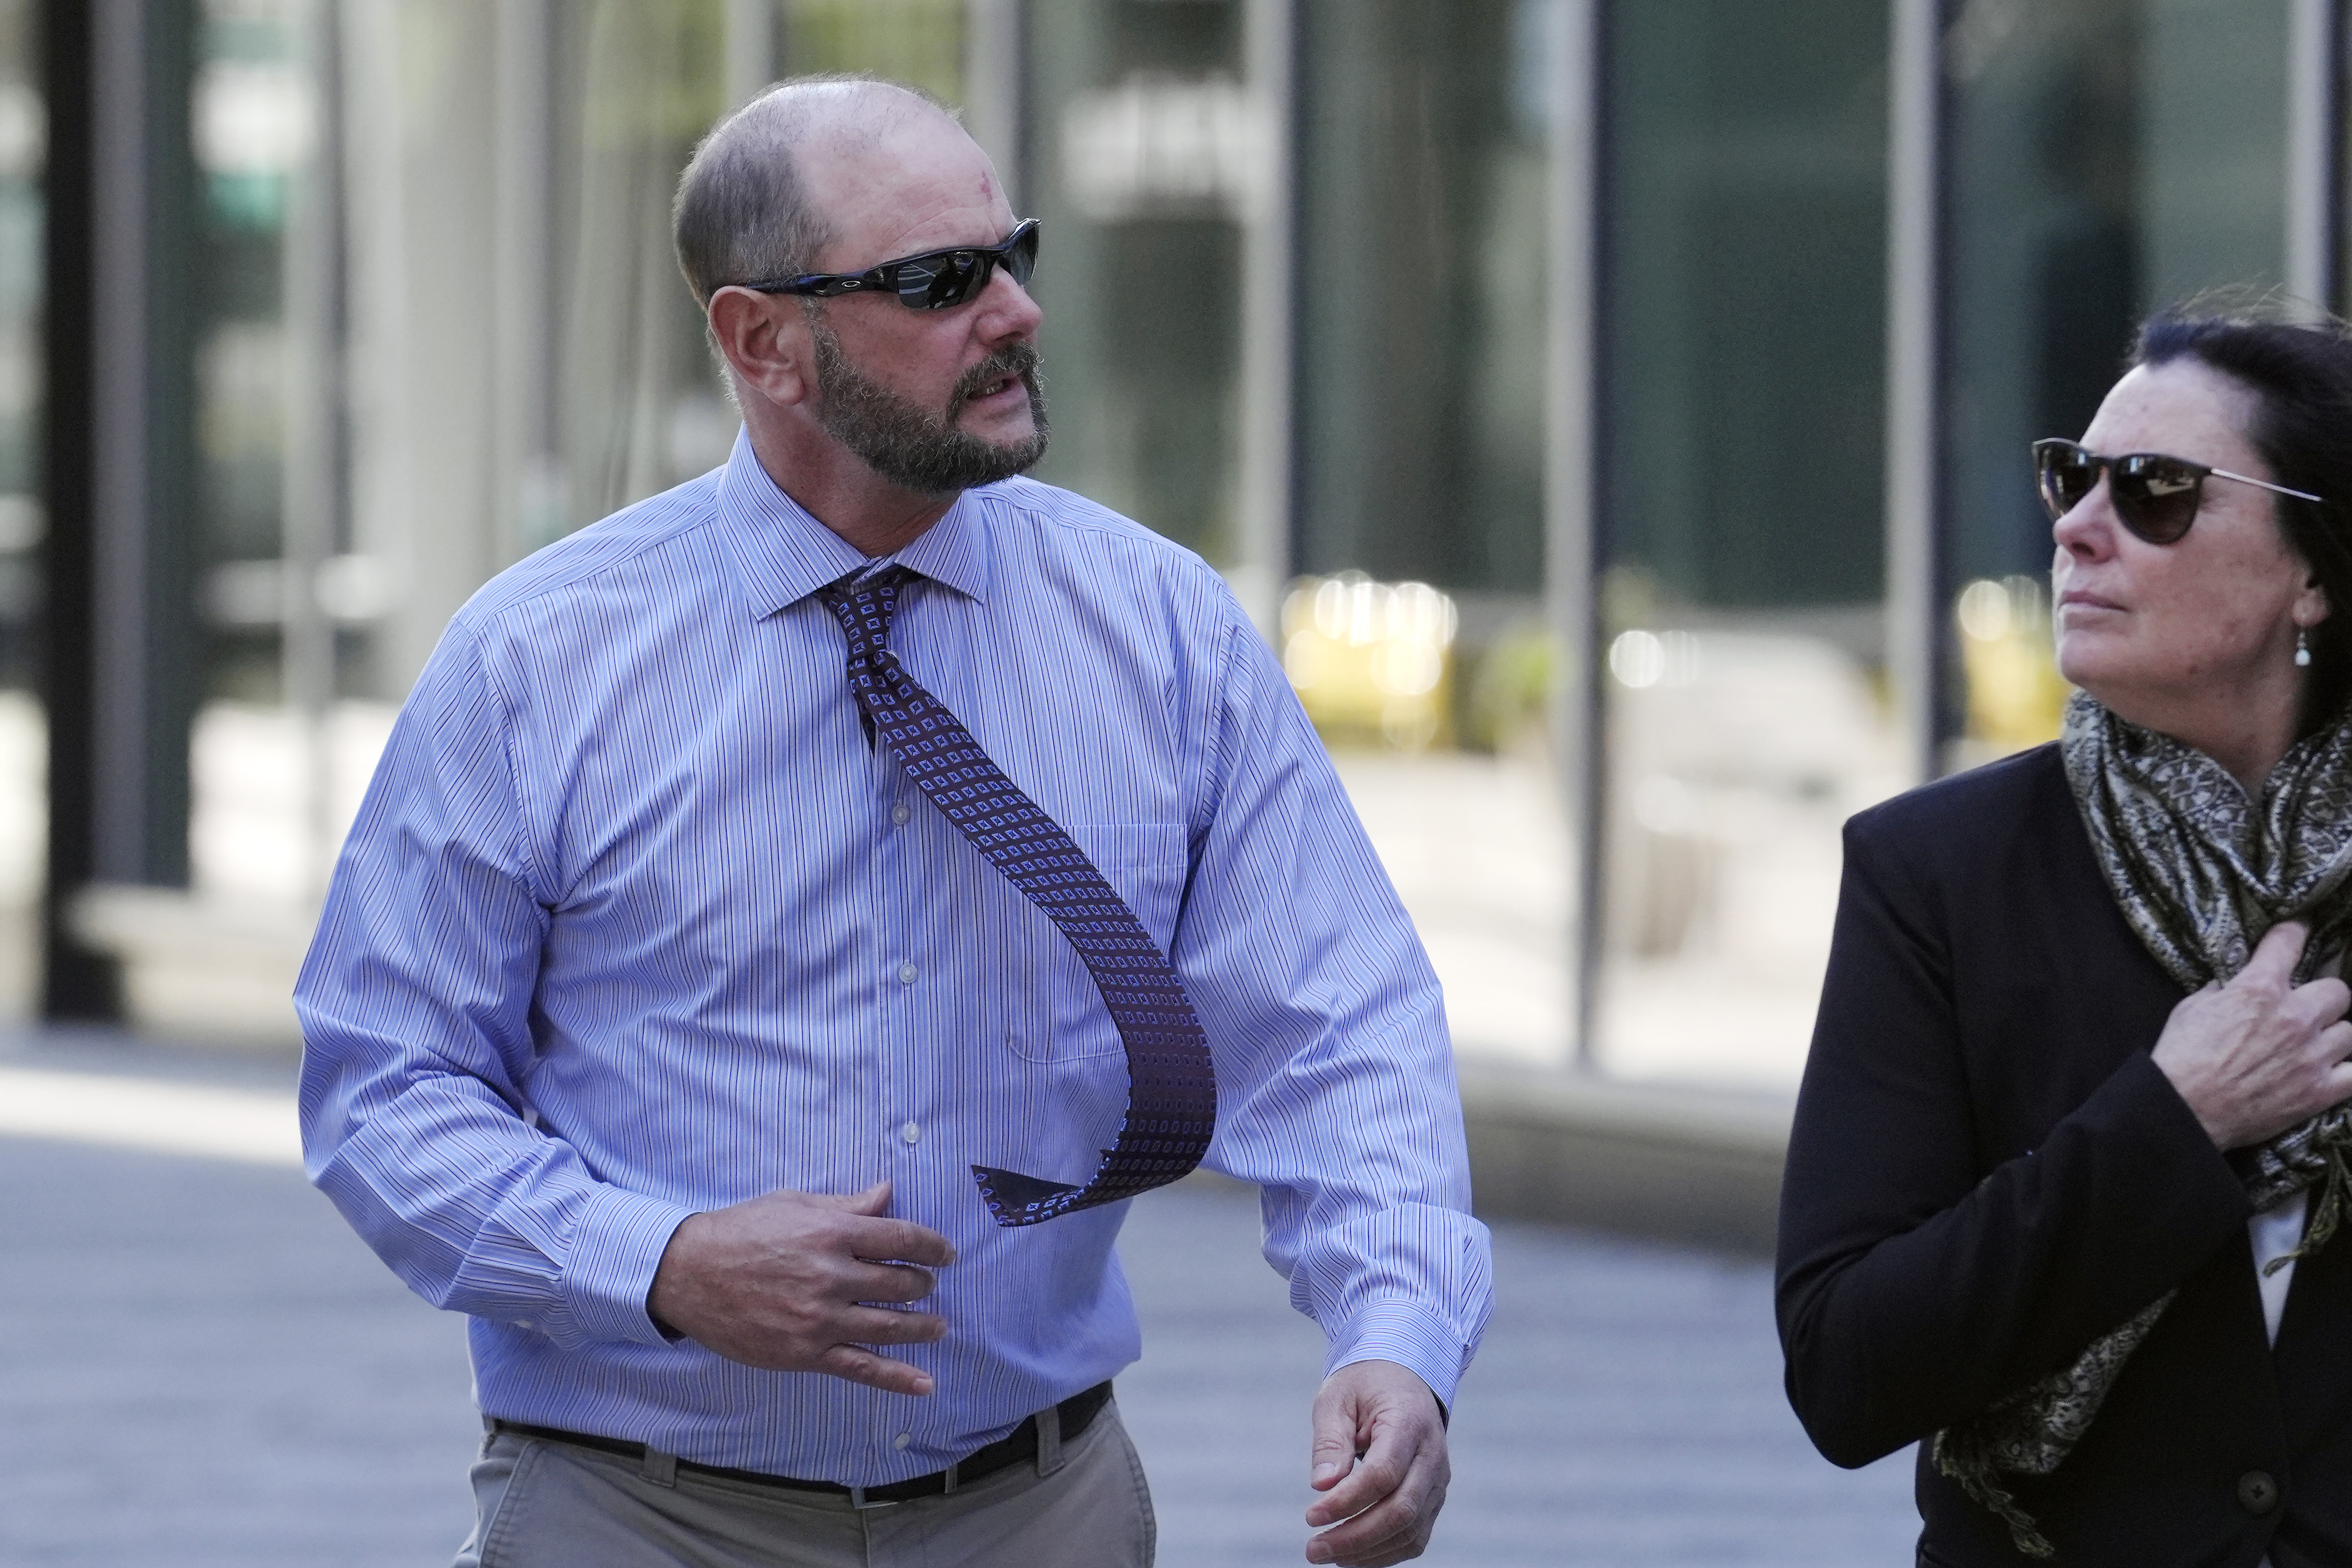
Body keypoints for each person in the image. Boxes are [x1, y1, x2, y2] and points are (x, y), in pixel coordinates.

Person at [296, 76, 1489, 1568]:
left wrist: (1394, 1326)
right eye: (937, 281)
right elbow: (382, 1084)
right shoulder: (538, 658)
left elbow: (1339, 1015)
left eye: (1012, 254)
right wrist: (659, 1262)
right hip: (633, 1514)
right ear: (762, 341)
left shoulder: (1162, 630)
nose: (1013, 312)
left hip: (1039, 1511)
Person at [1777, 306, 2352, 1567]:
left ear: (2312, 569)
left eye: (2156, 491)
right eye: (2067, 475)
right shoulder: (1935, 875)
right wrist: (2170, 1119)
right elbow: (1845, 1365)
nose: (2077, 525)